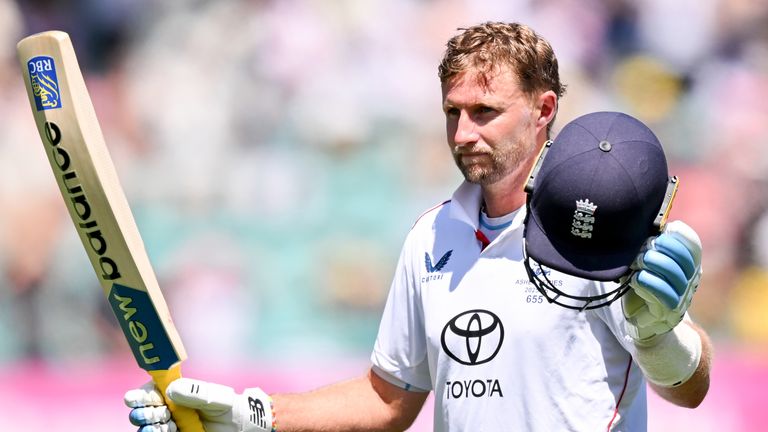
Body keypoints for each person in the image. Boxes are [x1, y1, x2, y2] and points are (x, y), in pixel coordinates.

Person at [125, 22, 712, 432]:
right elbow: (387, 401)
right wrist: (252, 416)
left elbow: (690, 387)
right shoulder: (431, 236)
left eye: (484, 112)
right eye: (452, 112)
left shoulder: (597, 224)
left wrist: (660, 337)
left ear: (543, 109)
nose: (463, 133)